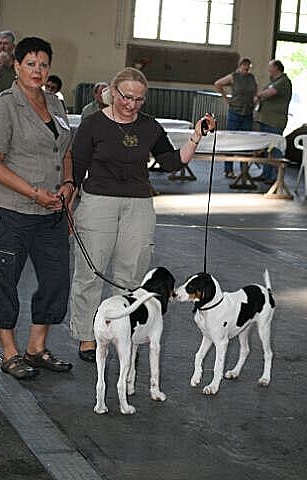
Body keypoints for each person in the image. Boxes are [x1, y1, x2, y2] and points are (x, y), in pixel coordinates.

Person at [69, 67, 216, 362]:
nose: (131, 104)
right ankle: (87, 336)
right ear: (113, 92)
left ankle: (127, 332)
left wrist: (196, 137)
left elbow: (173, 162)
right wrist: (69, 208)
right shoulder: (92, 124)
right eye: (126, 97)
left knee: (132, 274)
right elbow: (77, 166)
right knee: (90, 273)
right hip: (98, 201)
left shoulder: (150, 127)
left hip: (138, 203)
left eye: (139, 99)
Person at [0, 37, 74, 380]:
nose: (38, 71)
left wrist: (68, 184)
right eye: (31, 64)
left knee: (55, 279)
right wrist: (34, 193)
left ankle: (36, 348)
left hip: (52, 211)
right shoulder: (3, 106)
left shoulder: (55, 103)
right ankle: (8, 352)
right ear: (16, 66)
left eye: (43, 65)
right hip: (11, 210)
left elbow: (65, 149)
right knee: (5, 280)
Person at [214, 57, 257, 178]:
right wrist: (226, 98)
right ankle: (228, 169)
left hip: (248, 112)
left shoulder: (251, 77)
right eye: (245, 67)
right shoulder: (233, 76)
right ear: (240, 66)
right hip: (235, 111)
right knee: (231, 140)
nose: (246, 69)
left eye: (248, 67)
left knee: (246, 142)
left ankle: (244, 170)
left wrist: (255, 100)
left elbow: (255, 89)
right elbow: (218, 83)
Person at [255, 59, 292, 183]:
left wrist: (258, 95)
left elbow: (270, 93)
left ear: (276, 68)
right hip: (266, 120)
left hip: (275, 122)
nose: (268, 69)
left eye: (270, 67)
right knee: (267, 149)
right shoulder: (274, 81)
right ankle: (266, 174)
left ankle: (276, 177)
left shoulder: (283, 82)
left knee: (275, 149)